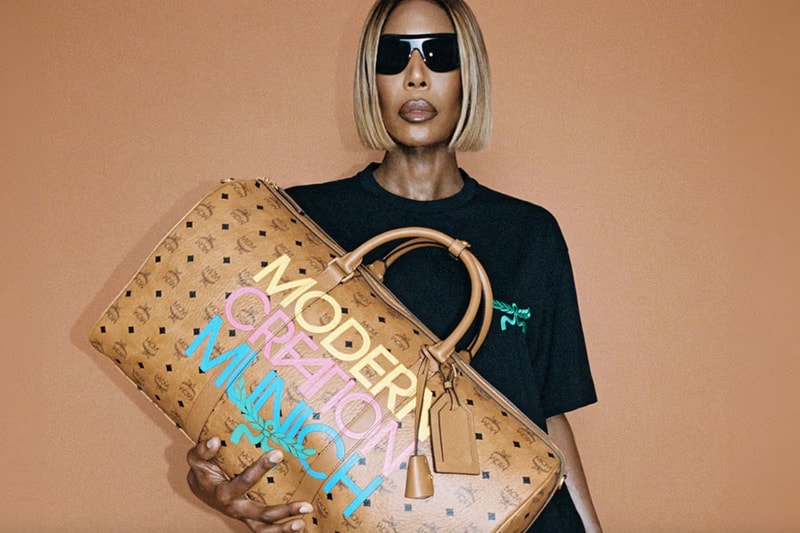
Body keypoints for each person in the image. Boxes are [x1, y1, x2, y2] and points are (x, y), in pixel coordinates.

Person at [185, 0, 602, 531]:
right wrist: (211, 477)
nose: (416, 75)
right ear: (371, 79)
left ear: (468, 76)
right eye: (393, 56)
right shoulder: (301, 219)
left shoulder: (529, 232)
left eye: (439, 54)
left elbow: (545, 414)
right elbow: (247, 385)